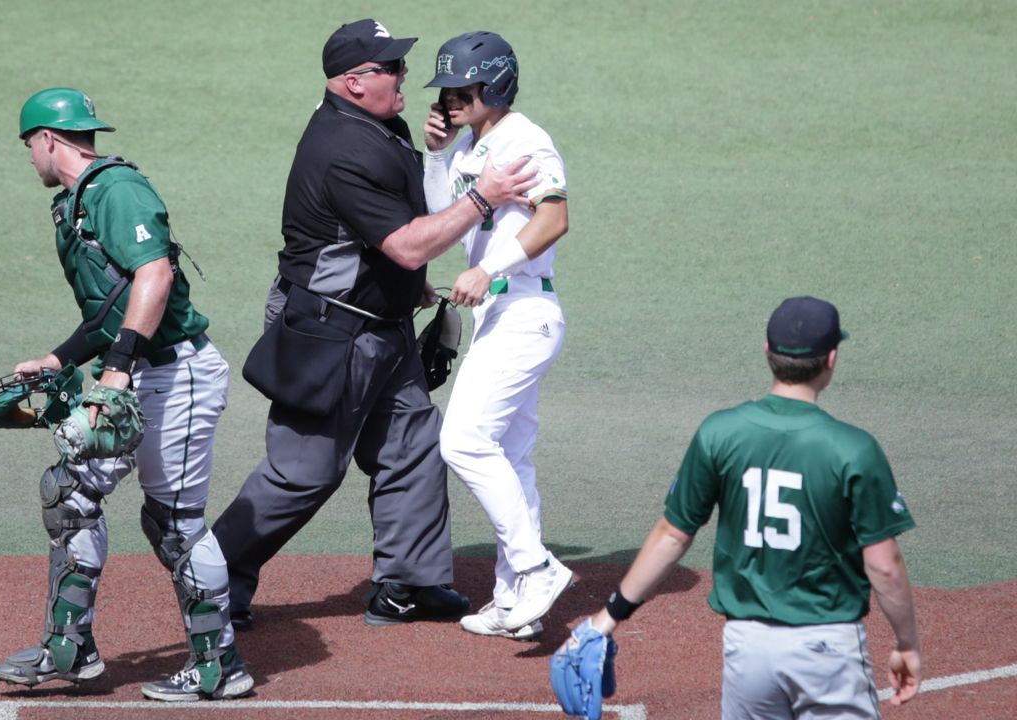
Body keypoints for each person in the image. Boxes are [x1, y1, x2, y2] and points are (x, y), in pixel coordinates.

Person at [211, 19, 538, 629]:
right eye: (391, 68)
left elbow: (400, 211)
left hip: (379, 327)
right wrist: (483, 197)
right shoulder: (343, 149)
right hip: (327, 331)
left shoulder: (379, 126)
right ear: (354, 81)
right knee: (302, 472)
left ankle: (410, 584)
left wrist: (439, 155)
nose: (405, 77)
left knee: (413, 447)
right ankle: (211, 578)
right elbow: (410, 244)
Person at [0, 88, 252, 703]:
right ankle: (70, 647)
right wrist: (61, 358)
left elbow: (154, 275)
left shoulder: (117, 192)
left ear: (49, 139)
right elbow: (112, 304)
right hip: (139, 372)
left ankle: (220, 666)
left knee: (174, 524)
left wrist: (115, 372)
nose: (29, 156)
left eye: (29, 144)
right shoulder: (78, 204)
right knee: (71, 494)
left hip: (175, 375)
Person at [562, 297, 922, 718]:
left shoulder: (721, 432)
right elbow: (884, 565)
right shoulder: (853, 449)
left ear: (768, 352)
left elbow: (673, 536)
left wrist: (607, 617)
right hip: (827, 647)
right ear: (832, 359)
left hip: (747, 649)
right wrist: (907, 642)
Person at [421, 31, 573, 641]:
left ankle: (537, 569)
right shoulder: (466, 148)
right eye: (445, 90)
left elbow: (555, 218)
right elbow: (439, 221)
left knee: (462, 442)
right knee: (510, 458)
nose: (449, 98)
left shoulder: (525, 140)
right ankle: (515, 601)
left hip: (525, 311)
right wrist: (435, 154)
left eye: (462, 88)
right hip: (498, 316)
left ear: (496, 83)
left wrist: (489, 268)